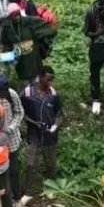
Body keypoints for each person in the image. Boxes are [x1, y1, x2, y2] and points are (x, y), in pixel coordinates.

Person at [20, 66, 62, 196]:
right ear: (41, 77)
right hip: (34, 134)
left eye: (52, 80)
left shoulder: (53, 94)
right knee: (31, 163)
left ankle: (53, 191)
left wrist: (56, 125)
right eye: (48, 79)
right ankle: (29, 191)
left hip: (50, 135)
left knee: (51, 164)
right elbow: (21, 113)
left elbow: (59, 114)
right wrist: (33, 124)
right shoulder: (27, 93)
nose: (50, 82)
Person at [0, 3, 56, 84]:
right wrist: (9, 55)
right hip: (21, 61)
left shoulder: (30, 21)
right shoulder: (7, 27)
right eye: (14, 15)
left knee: (36, 83)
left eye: (18, 14)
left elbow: (50, 30)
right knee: (26, 86)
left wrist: (39, 37)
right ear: (10, 16)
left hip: (34, 59)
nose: (17, 17)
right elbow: (6, 44)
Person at [0, 74, 25, 200]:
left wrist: (11, 127)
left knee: (14, 170)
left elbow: (19, 112)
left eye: (1, 91)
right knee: (0, 171)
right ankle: (6, 197)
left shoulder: (12, 95)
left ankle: (17, 196)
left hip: (12, 139)